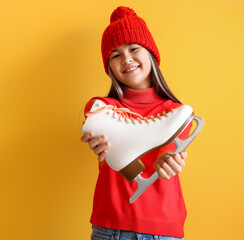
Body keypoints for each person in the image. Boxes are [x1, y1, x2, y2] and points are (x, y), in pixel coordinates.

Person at [81, 6, 193, 240]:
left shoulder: (177, 114)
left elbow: (154, 169)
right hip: (112, 227)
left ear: (151, 54)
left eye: (134, 48)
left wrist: (168, 163)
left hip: (163, 228)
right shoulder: (102, 108)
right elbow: (97, 126)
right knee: (100, 119)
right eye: (115, 55)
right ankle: (136, 137)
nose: (127, 59)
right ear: (109, 67)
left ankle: (137, 140)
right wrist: (102, 146)